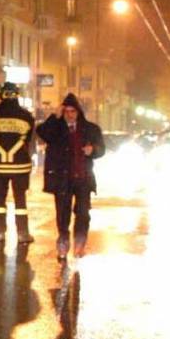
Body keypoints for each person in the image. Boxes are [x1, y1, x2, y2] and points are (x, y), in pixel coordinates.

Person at [37, 93, 105, 262]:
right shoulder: (56, 129)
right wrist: (55, 115)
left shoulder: (90, 129)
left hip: (83, 178)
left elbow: (101, 149)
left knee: (83, 213)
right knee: (62, 213)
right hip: (61, 179)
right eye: (66, 111)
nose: (69, 114)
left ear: (78, 112)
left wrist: (93, 150)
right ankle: (63, 240)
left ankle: (80, 242)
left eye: (72, 111)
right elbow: (41, 131)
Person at [0, 81, 37, 244]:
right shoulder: (27, 116)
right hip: (20, 166)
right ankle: (22, 233)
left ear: (1, 95)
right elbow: (29, 140)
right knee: (20, 200)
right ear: (16, 95)